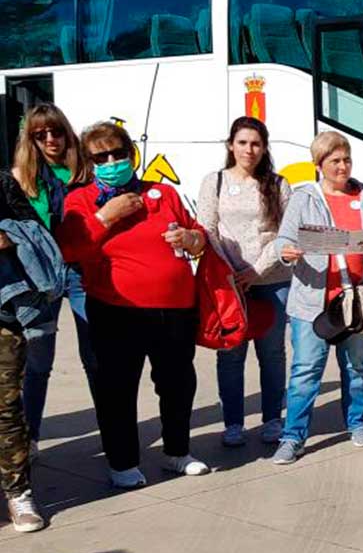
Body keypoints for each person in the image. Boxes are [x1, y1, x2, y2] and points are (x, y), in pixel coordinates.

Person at [57, 121, 210, 488]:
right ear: (91, 162)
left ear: (131, 154)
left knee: (177, 383)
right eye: (102, 156)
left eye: (118, 153)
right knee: (118, 388)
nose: (112, 161)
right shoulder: (79, 200)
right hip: (116, 310)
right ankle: (122, 462)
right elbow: (69, 248)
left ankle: (177, 451)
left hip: (174, 308)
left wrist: (191, 238)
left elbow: (199, 234)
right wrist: (106, 216)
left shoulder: (163, 193)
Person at [271, 132, 363, 464]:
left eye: (346, 159)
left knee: (356, 367)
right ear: (319, 165)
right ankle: (292, 436)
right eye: (335, 161)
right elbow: (282, 239)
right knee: (305, 371)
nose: (342, 167)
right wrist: (287, 251)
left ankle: (357, 423)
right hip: (312, 300)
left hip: (357, 299)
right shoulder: (304, 198)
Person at [196, 117, 293, 447]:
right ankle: (233, 423)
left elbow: (286, 235)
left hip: (272, 280)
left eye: (256, 143)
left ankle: (272, 419)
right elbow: (207, 229)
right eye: (242, 142)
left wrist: (256, 272)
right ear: (230, 145)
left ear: (264, 148)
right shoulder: (215, 182)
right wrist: (231, 273)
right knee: (231, 353)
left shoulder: (279, 185)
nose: (249, 149)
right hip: (227, 283)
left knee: (272, 353)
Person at [11, 103, 96, 457]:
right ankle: (30, 437)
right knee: (38, 363)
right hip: (40, 278)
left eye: (56, 131)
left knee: (95, 357)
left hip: (79, 272)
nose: (50, 139)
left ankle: (113, 429)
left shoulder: (85, 173)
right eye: (40, 134)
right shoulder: (20, 176)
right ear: (30, 139)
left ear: (67, 132)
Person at [0, 164, 58, 531]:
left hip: (3, 314)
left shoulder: (1, 182)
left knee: (5, 406)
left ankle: (18, 492)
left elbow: (36, 234)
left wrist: (10, 237)